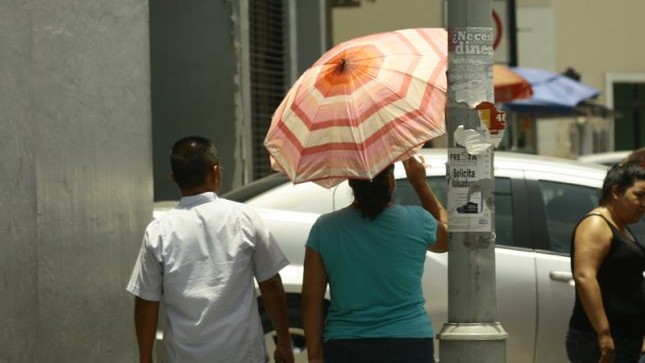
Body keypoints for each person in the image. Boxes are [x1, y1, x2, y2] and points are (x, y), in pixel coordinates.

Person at [126, 136, 294, 363]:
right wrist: (284, 341)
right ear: (215, 172)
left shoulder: (158, 232)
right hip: (243, 355)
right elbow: (271, 284)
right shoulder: (244, 219)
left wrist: (145, 357)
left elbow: (146, 302)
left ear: (174, 178)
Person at [301, 156, 448, 363]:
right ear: (390, 181)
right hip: (409, 342)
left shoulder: (325, 228)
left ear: (351, 183)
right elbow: (446, 239)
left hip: (346, 345)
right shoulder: (417, 220)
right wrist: (419, 182)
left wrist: (315, 357)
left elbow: (310, 297)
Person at [566, 160, 645, 363]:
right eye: (639, 195)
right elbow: (585, 276)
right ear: (616, 192)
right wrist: (604, 334)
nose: (644, 204)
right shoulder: (596, 224)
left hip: (626, 339)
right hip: (598, 341)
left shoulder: (620, 226)